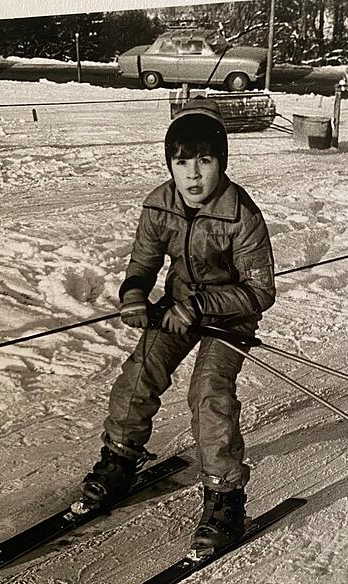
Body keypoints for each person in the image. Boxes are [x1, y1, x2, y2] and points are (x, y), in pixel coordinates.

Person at [81, 96, 276, 554]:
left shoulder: (241, 215)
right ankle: (120, 459)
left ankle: (225, 496)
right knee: (139, 373)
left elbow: (260, 291)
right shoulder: (158, 204)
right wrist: (133, 295)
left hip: (231, 315)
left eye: (204, 161)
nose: (192, 174)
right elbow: (144, 261)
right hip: (177, 307)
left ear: (221, 162)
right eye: (181, 161)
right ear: (169, 163)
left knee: (208, 392)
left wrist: (203, 305)